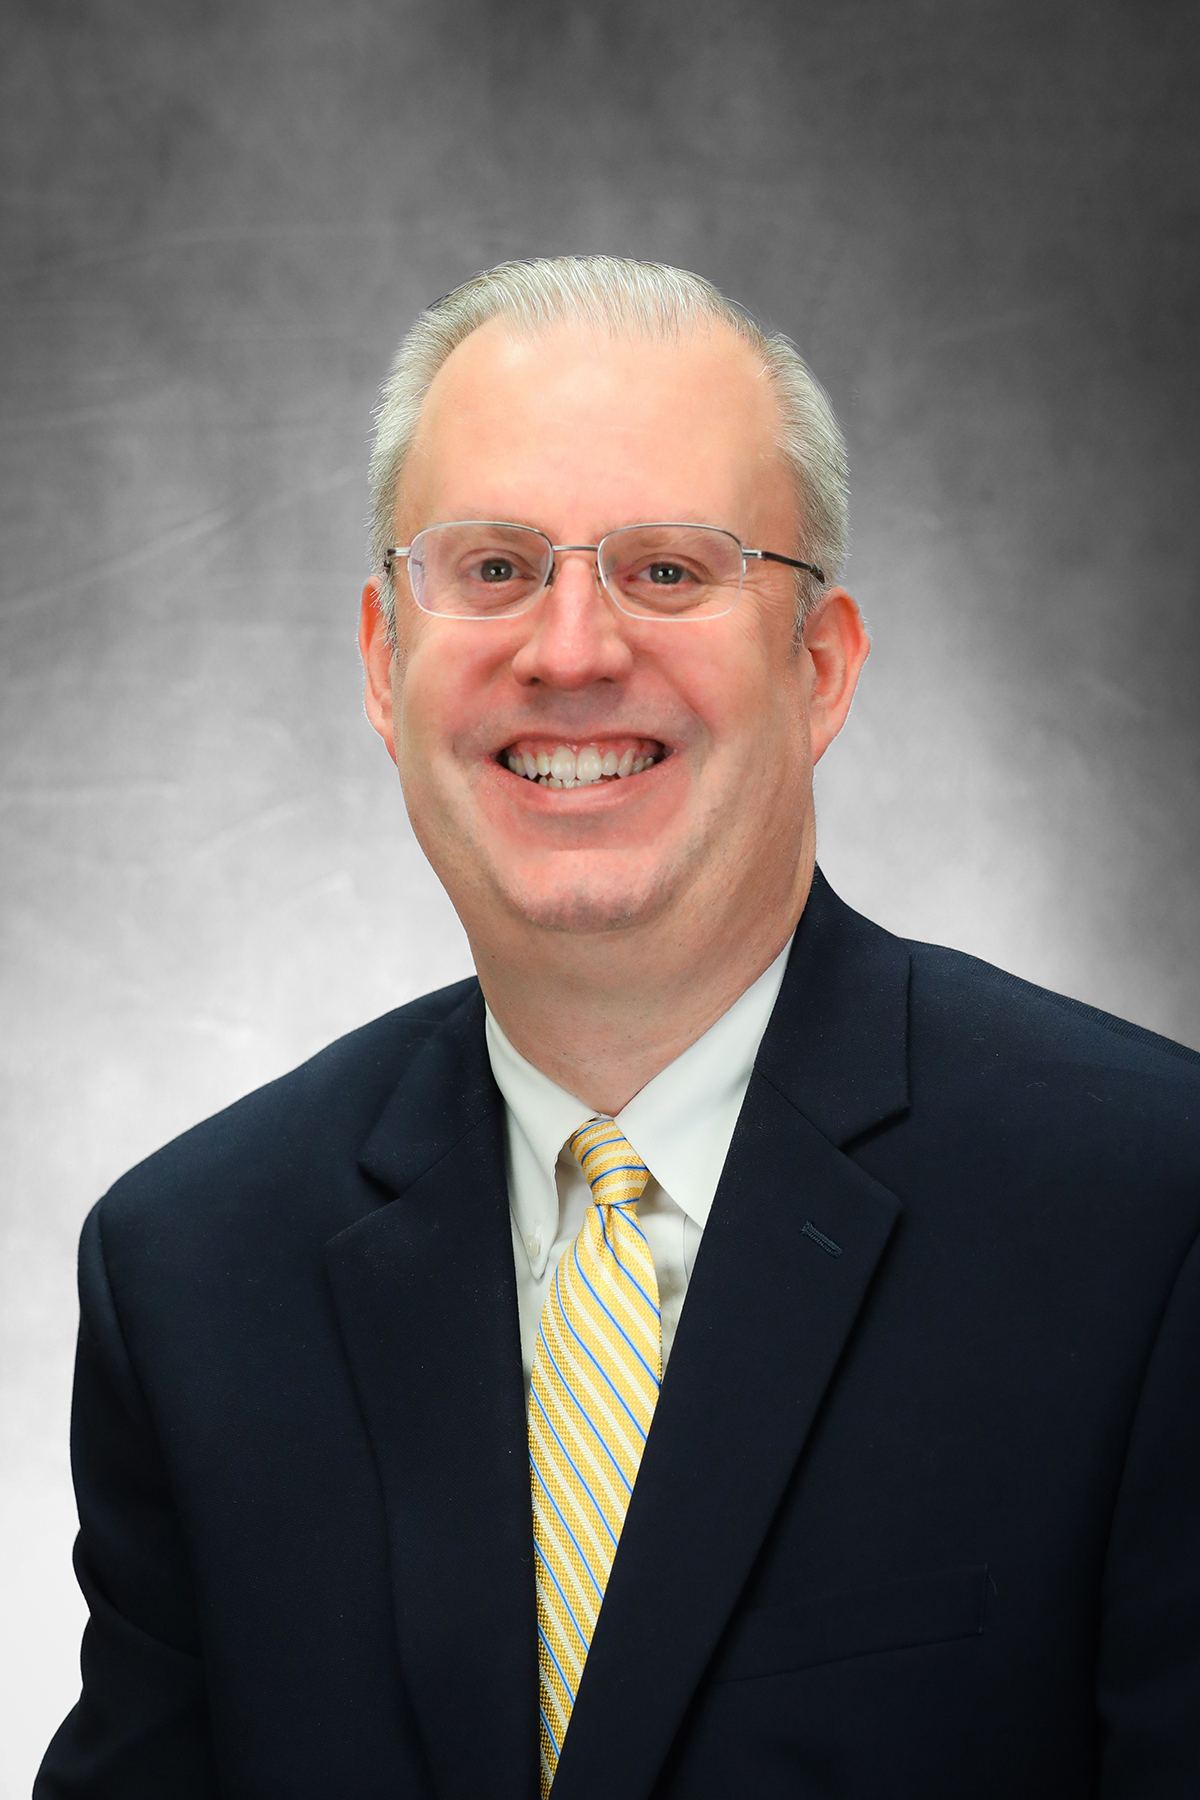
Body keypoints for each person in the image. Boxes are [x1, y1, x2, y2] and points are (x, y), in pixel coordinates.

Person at [37, 257, 1200, 1800]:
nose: (572, 650)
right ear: (385, 666)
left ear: (820, 668)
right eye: (494, 567)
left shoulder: (1150, 1217)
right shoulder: (191, 1276)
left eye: (665, 570)